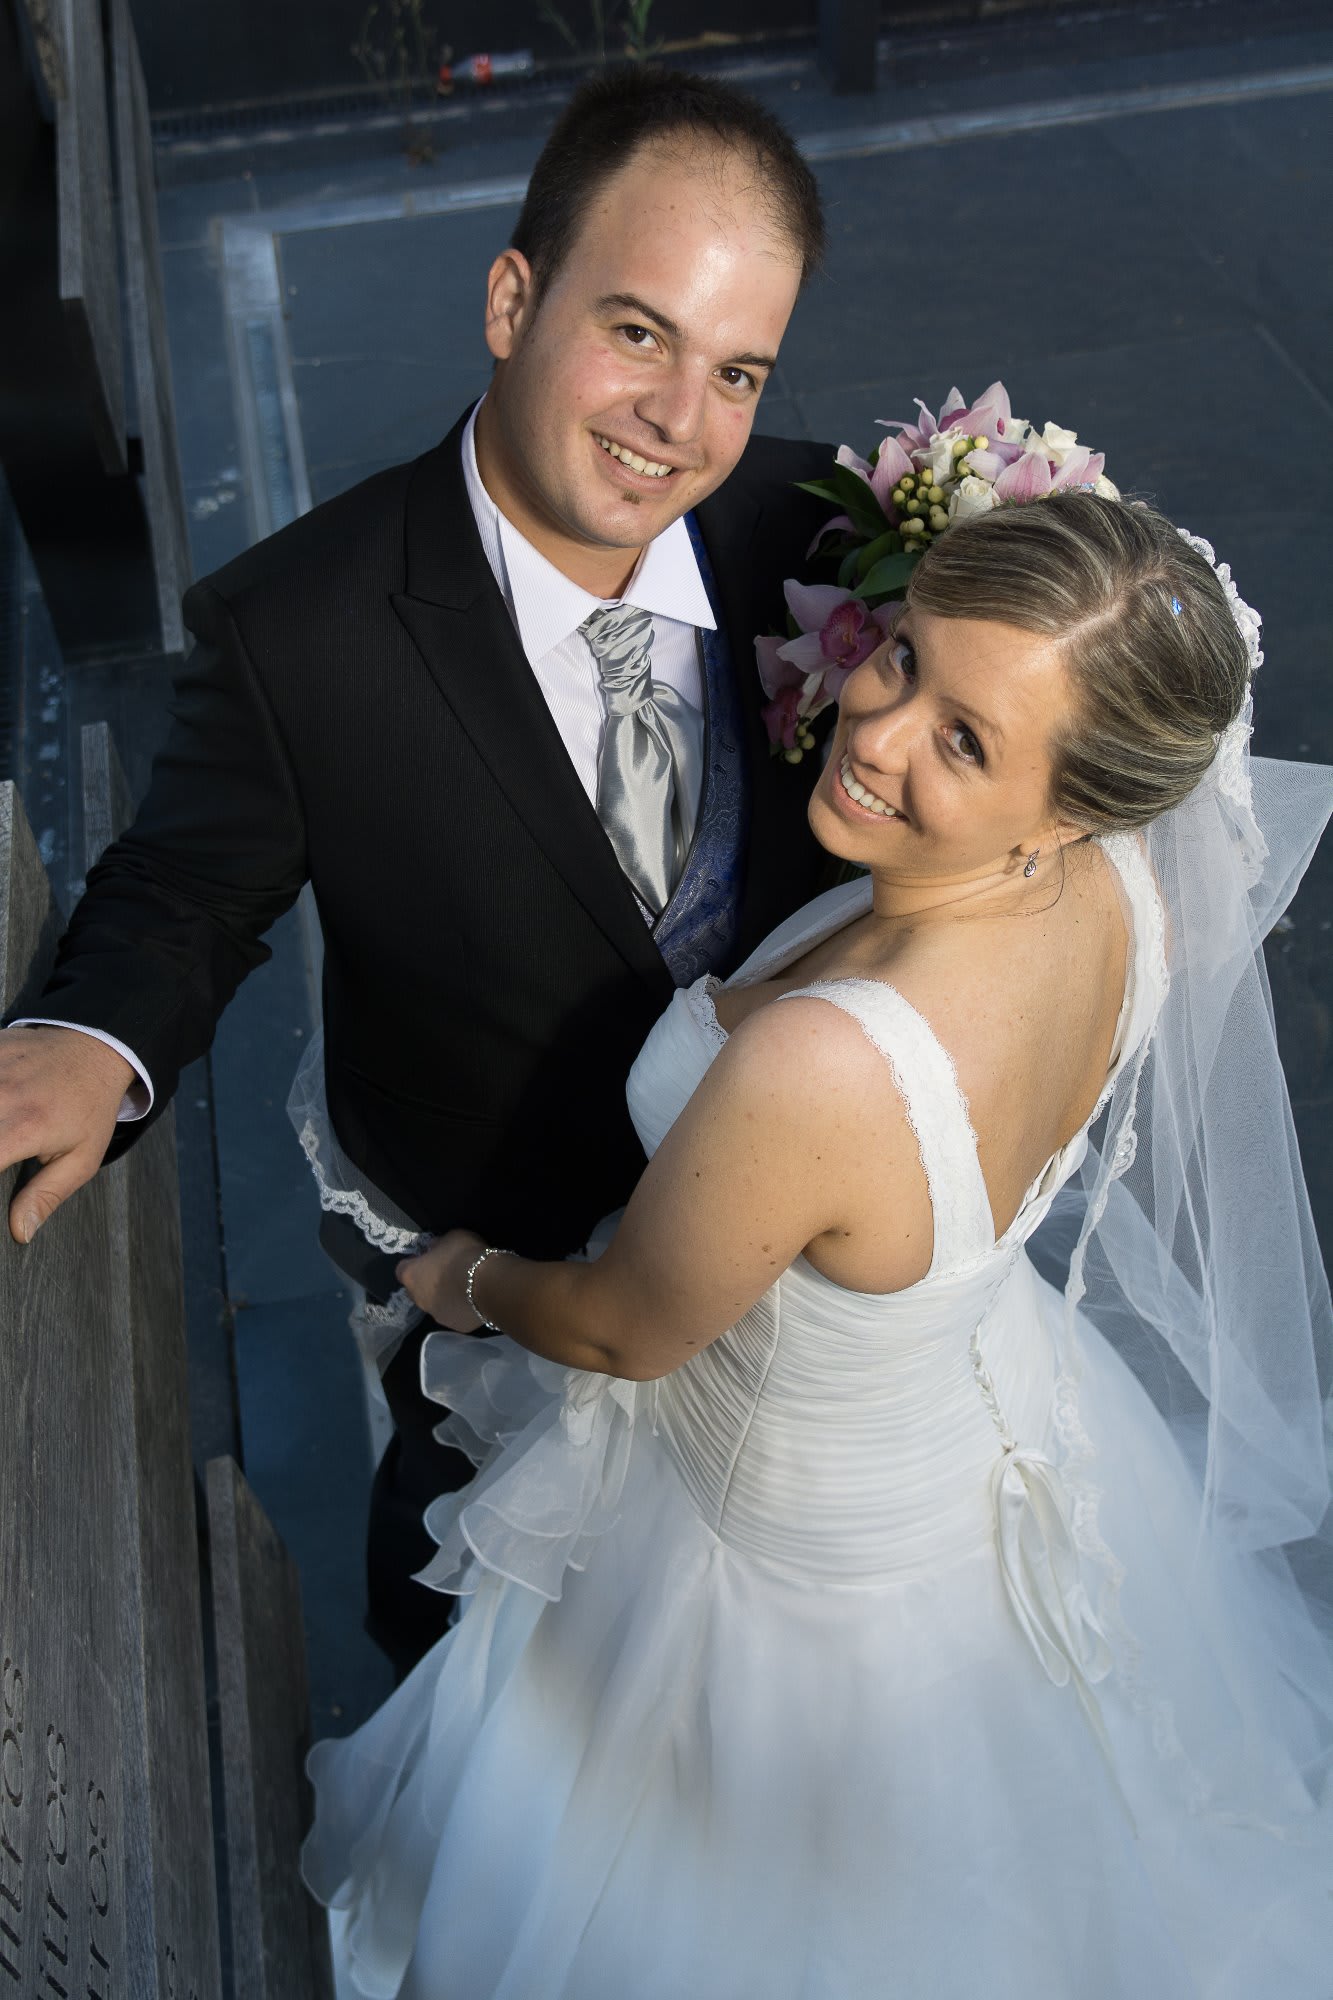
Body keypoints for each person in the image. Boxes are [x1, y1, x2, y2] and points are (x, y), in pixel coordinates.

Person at [301, 492, 1333, 1997]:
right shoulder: (1122, 893)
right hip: (969, 1420)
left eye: (964, 740)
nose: (876, 727)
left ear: (1071, 808)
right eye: (905, 658)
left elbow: (618, 1330)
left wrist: (458, 1279)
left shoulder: (828, 1068)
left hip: (763, 1550)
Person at [0, 69, 837, 1674]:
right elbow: (186, 891)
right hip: (495, 1271)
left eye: (735, 369)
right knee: (465, 1618)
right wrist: (93, 1045)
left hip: (780, 1261)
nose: (680, 422)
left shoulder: (815, 527)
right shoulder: (301, 628)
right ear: (512, 298)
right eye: (639, 332)